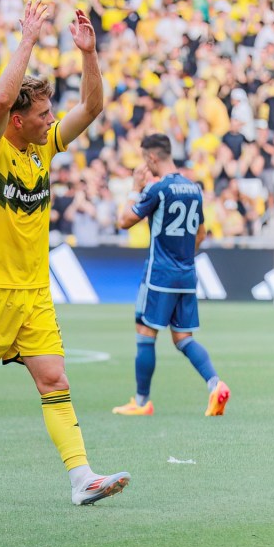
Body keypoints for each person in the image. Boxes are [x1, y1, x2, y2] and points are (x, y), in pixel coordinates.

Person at [0, 2, 130, 507]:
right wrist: (28, 40)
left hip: (35, 292)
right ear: (17, 121)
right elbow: (0, 99)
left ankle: (81, 478)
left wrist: (89, 55)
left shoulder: (43, 148)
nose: (51, 120)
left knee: (54, 378)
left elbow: (92, 108)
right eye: (42, 114)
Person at [113, 134, 231, 417]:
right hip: (187, 274)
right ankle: (215, 384)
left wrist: (135, 188)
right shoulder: (194, 188)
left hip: (160, 275)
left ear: (152, 158)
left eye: (145, 159)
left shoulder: (158, 189)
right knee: (183, 338)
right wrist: (183, 255)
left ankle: (142, 402)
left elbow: (124, 221)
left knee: (145, 333)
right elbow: (201, 233)